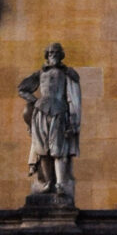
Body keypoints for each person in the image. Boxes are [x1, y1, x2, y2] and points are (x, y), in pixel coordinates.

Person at [19, 44, 79, 203]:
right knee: (42, 149)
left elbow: (74, 98)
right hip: (41, 113)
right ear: (46, 55)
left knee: (58, 149)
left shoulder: (67, 73)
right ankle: (48, 182)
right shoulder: (40, 73)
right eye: (50, 52)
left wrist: (73, 121)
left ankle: (60, 184)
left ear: (61, 55)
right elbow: (22, 89)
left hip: (59, 112)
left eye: (56, 52)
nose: (53, 55)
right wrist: (36, 101)